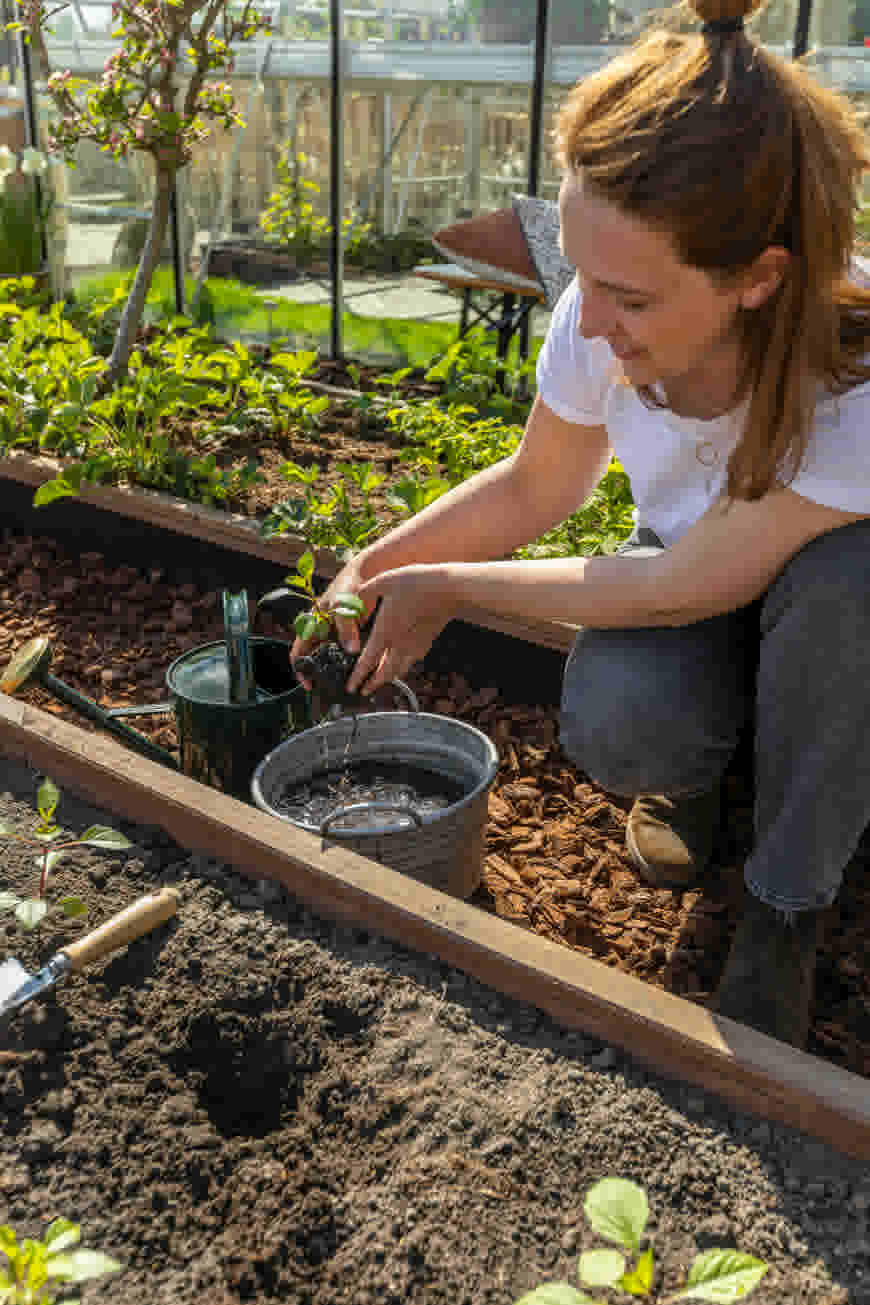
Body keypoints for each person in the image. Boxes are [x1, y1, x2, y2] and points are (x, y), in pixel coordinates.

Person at [291, 0, 870, 1050]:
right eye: (580, 273)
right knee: (622, 720)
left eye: (631, 300)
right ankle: (699, 780)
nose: (592, 321)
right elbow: (533, 486)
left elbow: (682, 585)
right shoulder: (599, 309)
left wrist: (457, 586)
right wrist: (374, 566)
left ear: (760, 278)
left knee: (850, 592)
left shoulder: (856, 382)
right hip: (696, 576)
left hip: (832, 613)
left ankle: (788, 901)